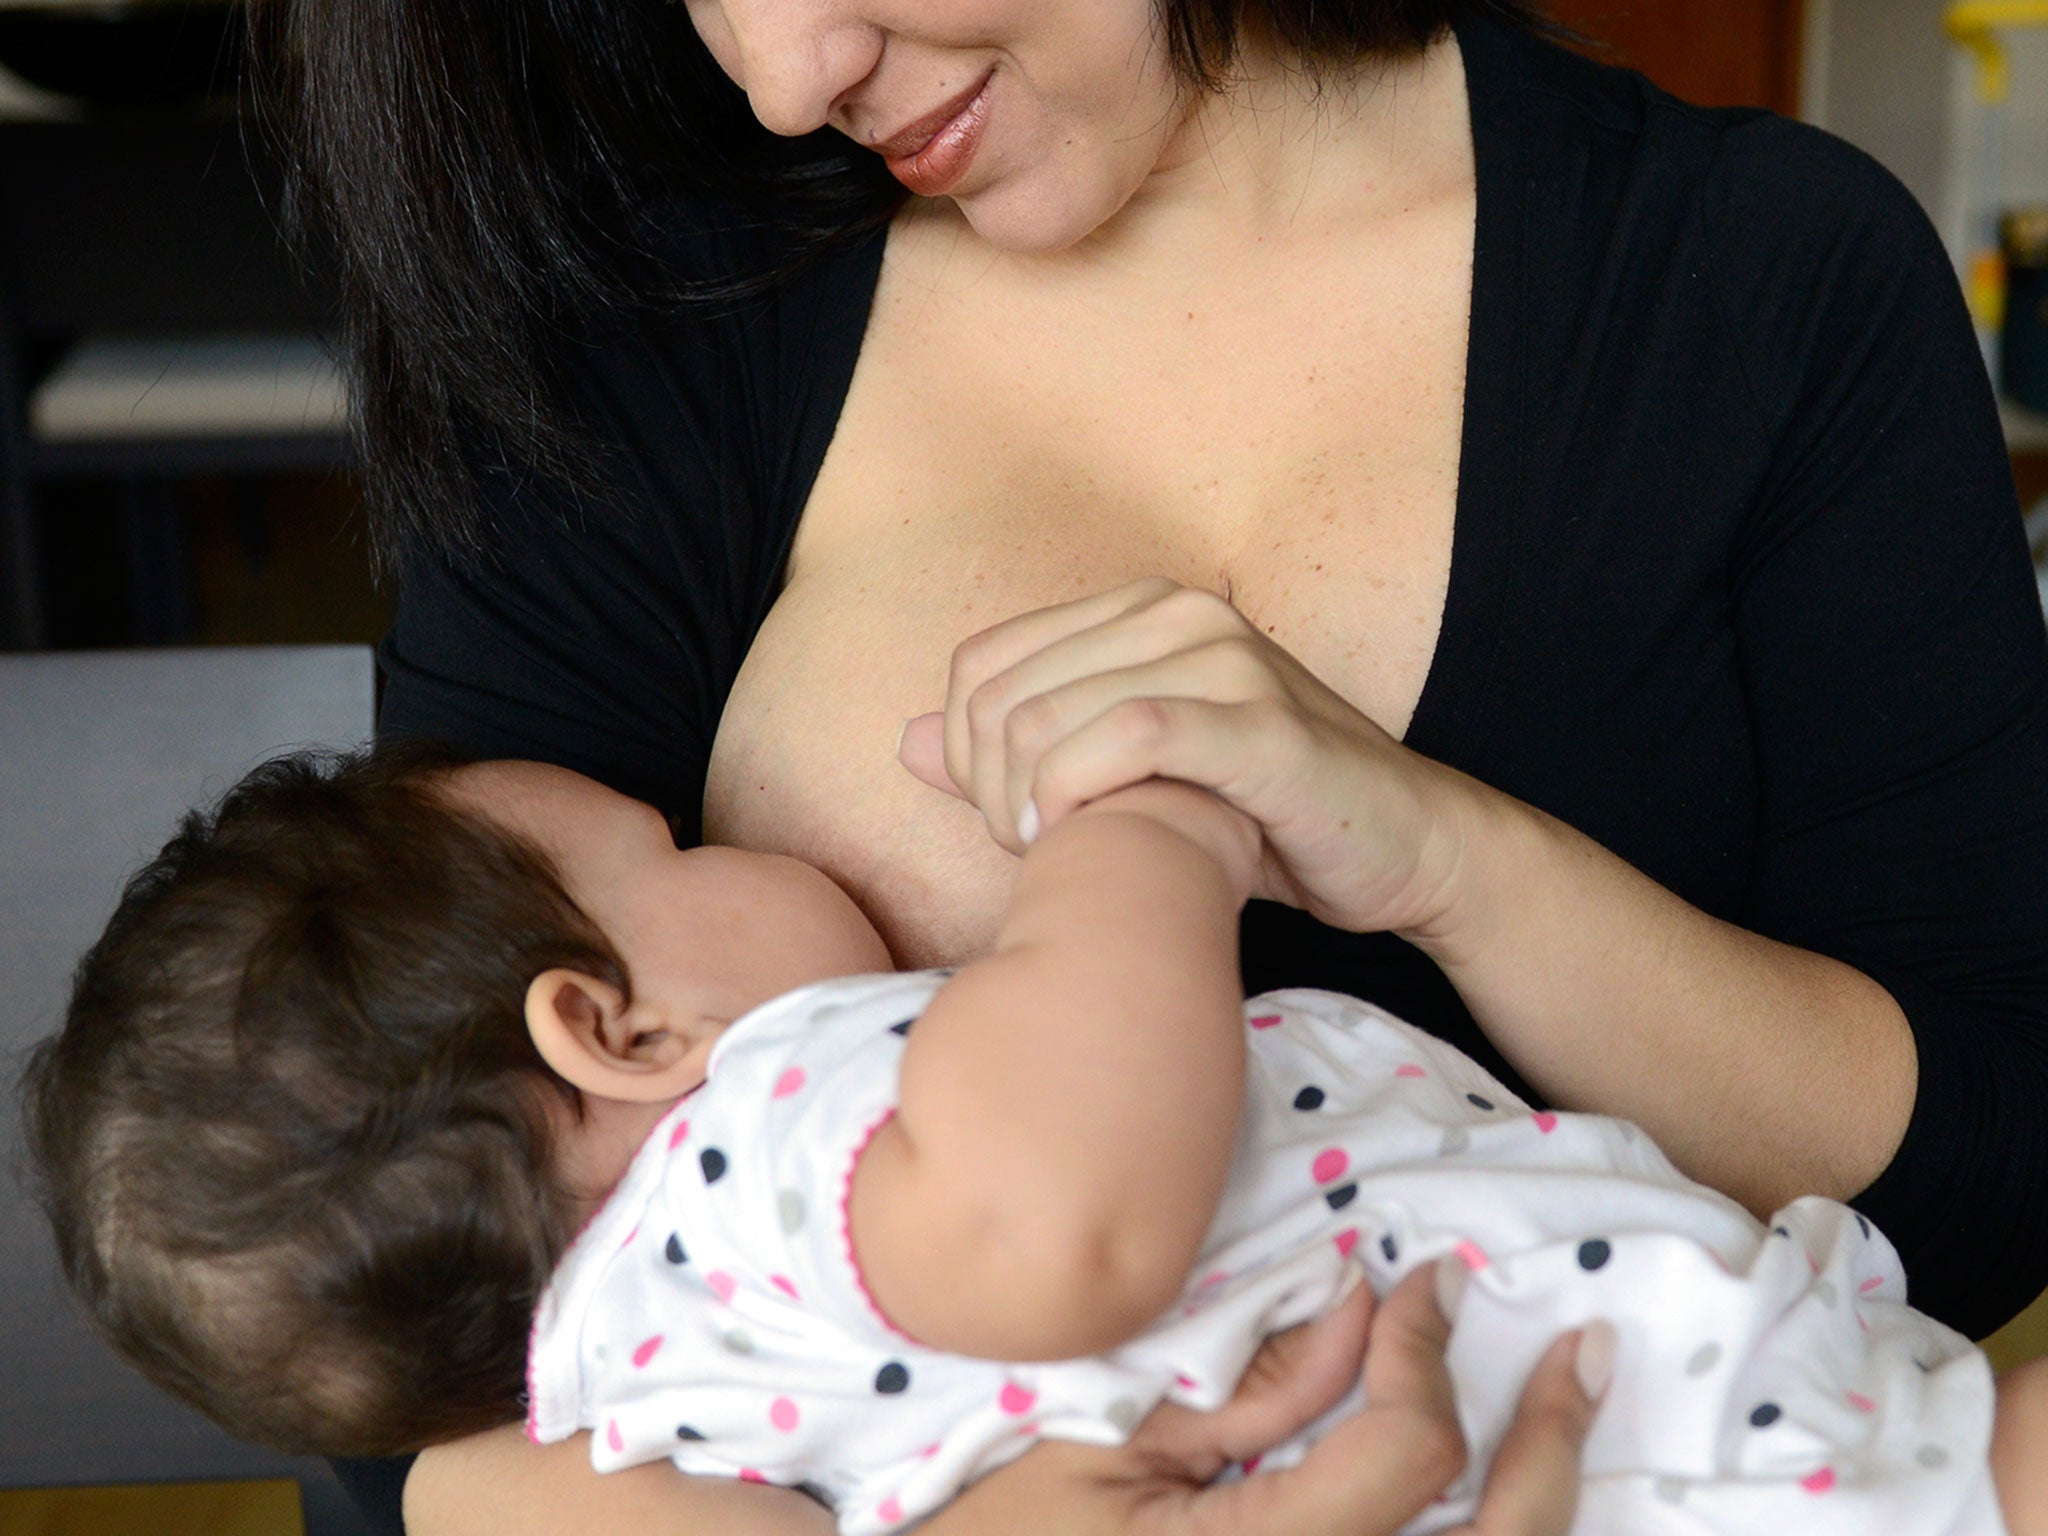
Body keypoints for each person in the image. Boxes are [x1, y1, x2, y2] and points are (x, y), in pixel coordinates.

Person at [249, 0, 2048, 1531]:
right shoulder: (640, 341)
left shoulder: (1766, 278)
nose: (785, 73)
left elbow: (1976, 1174)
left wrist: (1454, 862)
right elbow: (390, 1313)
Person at [20, 749, 2046, 1535]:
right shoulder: (776, 1141)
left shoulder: (644, 1416)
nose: (752, 850)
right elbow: (1076, 1221)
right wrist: (1137, 849)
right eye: (683, 848)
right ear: (614, 1030)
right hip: (1656, 1460)